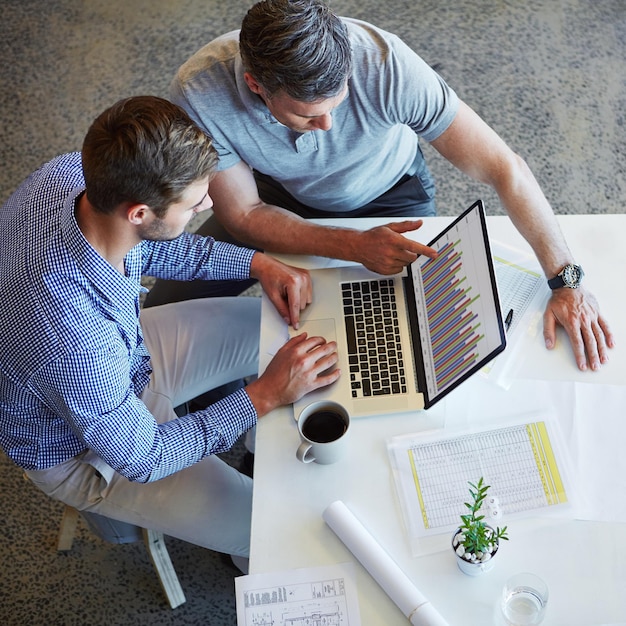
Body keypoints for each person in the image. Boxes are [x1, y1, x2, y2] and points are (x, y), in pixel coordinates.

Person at [144, 0, 613, 373]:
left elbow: (504, 168)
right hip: (273, 198)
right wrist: (350, 245)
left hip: (392, 194)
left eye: (339, 103)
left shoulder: (387, 64)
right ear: (256, 85)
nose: (328, 126)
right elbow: (243, 215)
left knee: (404, 341)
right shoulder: (200, 91)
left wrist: (565, 278)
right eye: (308, 115)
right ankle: (211, 417)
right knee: (163, 311)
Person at [0, 95, 339, 572]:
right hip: (89, 450)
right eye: (195, 199)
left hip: (124, 356)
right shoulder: (70, 337)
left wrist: (256, 262)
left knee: (287, 333)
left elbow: (159, 249)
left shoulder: (73, 174)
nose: (209, 203)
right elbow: (145, 456)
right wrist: (260, 397)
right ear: (139, 212)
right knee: (274, 530)